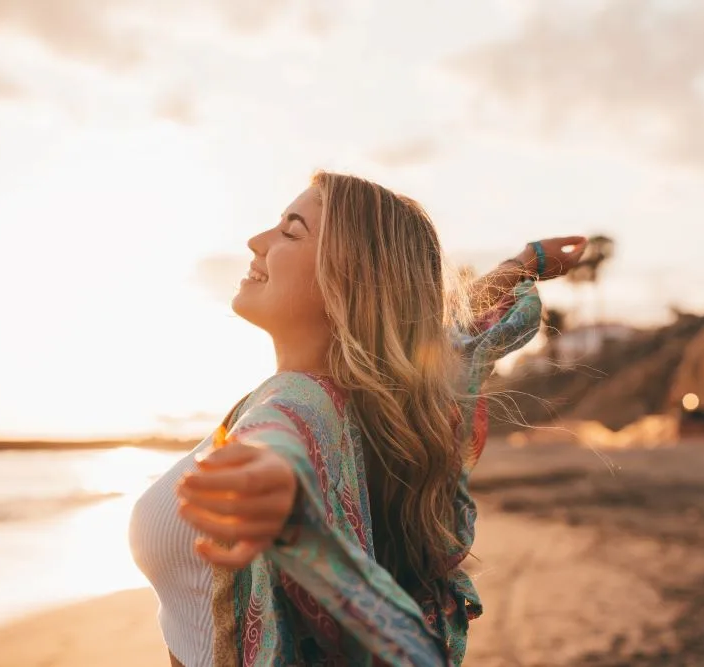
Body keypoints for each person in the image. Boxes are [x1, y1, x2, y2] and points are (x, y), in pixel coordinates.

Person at [129, 171, 586, 667]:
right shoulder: (354, 399)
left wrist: (278, 488)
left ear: (349, 278)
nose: (256, 241)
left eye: (290, 230)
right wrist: (519, 267)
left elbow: (279, 444)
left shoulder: (294, 407)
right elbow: (451, 343)